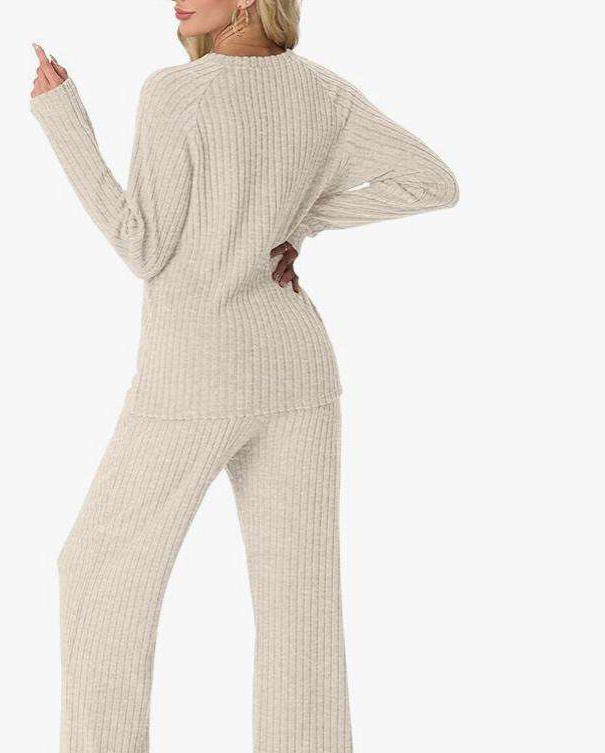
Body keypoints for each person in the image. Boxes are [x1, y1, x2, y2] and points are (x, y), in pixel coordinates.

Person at [30, 2, 458, 752]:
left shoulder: (177, 92)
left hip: (195, 375)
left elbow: (142, 246)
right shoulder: (323, 92)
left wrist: (62, 117)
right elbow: (433, 182)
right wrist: (300, 221)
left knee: (97, 573)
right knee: (301, 614)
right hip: (298, 372)